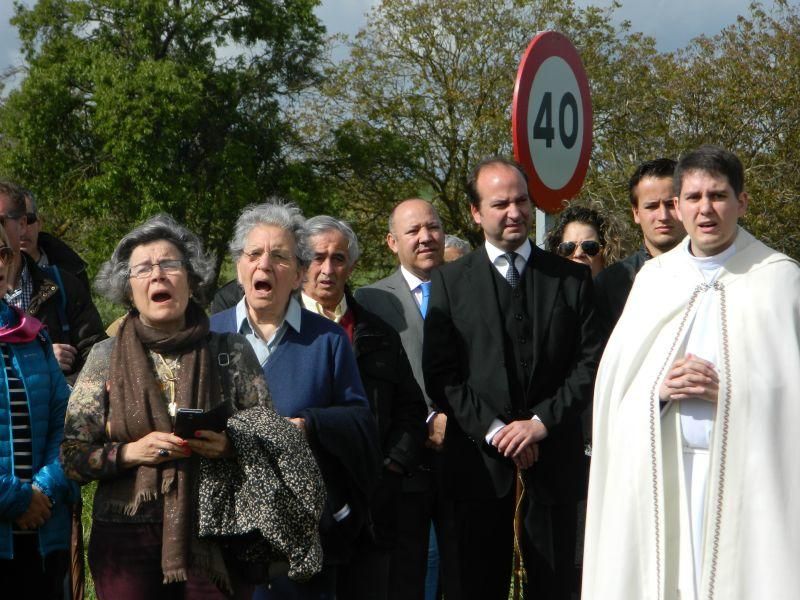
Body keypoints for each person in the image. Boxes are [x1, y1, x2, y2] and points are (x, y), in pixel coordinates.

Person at [583, 145, 800, 600]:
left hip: (750, 480)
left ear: (741, 202)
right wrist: (657, 392)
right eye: (694, 196)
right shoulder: (654, 280)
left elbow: (791, 390)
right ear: (678, 205)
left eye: (718, 195)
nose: (706, 208)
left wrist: (734, 391)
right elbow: (615, 391)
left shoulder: (781, 280)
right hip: (663, 476)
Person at [60, 214, 274, 599]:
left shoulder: (230, 351)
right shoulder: (104, 357)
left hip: (213, 532)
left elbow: (270, 442)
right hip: (125, 537)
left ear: (191, 281)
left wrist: (228, 447)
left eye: (170, 264)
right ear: (128, 290)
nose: (157, 275)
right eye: (143, 269)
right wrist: (129, 453)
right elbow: (72, 457)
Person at [422, 157, 602, 600]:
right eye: (500, 203)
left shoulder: (571, 279)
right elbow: (441, 374)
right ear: (476, 213)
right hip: (479, 475)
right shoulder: (447, 283)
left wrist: (541, 422)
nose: (515, 212)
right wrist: (496, 431)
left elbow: (590, 362)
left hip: (554, 469)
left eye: (521, 200)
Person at [209, 201, 381, 599]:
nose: (264, 265)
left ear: (299, 273)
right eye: (253, 254)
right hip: (224, 537)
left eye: (280, 256)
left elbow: (360, 422)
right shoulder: (207, 336)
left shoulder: (328, 340)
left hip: (303, 539)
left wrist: (308, 426)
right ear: (239, 267)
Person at [300, 215, 428, 600]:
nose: (327, 269)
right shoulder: (280, 333)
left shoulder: (379, 333)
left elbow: (410, 411)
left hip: (371, 511)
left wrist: (391, 467)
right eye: (317, 257)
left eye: (338, 258)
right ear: (300, 262)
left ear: (352, 265)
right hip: (306, 508)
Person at [355, 198, 459, 600]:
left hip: (463, 455)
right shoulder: (370, 300)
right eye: (413, 231)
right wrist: (422, 423)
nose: (425, 238)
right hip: (403, 465)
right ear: (391, 242)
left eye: (432, 227)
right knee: (408, 575)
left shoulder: (469, 286)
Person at [0, 223, 77, 599]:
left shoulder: (32, 335)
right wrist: (15, 499)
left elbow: (67, 424)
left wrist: (44, 489)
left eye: (2, 253)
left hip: (42, 537)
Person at [0, 181, 106, 378]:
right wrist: (41, 360)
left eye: (0, 221)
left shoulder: (64, 285)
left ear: (22, 224)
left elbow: (97, 353)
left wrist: (68, 394)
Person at [594, 158, 686, 335]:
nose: (663, 216)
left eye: (670, 204)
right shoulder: (612, 284)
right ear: (636, 213)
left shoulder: (715, 272)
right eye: (652, 206)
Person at [19, 189, 91, 291]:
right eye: (15, 221)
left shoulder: (72, 271)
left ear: (39, 224)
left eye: (29, 220)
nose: (23, 230)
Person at [545, 205, 619, 278]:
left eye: (589, 246)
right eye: (568, 247)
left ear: (607, 251)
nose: (578, 254)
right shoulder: (546, 289)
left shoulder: (626, 289)